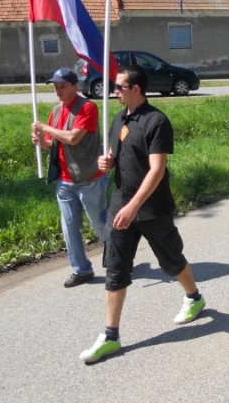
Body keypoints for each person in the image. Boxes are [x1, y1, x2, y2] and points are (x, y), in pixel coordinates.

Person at [79, 65, 206, 364]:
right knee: (116, 268)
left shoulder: (156, 121)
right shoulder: (118, 118)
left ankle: (194, 298)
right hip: (120, 205)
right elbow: (118, 158)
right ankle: (111, 336)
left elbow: (157, 170)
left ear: (136, 89)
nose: (114, 92)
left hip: (151, 208)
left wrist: (134, 206)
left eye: (120, 87)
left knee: (171, 260)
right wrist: (106, 163)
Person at [31, 67, 107, 288]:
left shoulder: (87, 107)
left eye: (63, 86)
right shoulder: (56, 112)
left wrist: (46, 128)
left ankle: (119, 254)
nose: (58, 90)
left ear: (76, 86)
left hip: (89, 178)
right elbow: (54, 145)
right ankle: (81, 270)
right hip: (65, 181)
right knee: (69, 228)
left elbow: (73, 138)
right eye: (56, 87)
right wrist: (40, 141)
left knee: (99, 224)